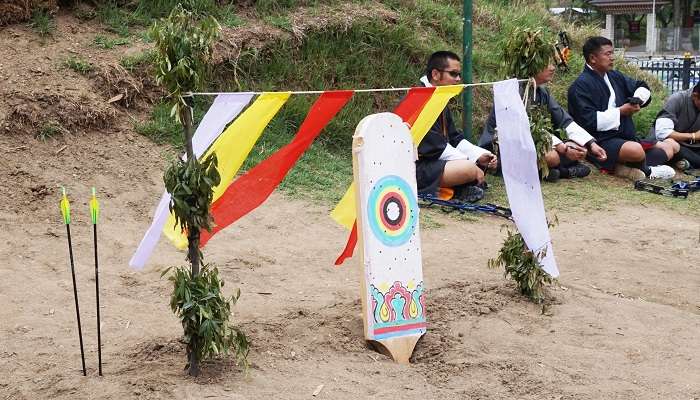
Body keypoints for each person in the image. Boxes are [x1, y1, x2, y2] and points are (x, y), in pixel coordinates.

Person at [567, 36, 678, 180]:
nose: (612, 58)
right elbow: (588, 121)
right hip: (599, 141)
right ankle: (646, 170)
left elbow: (641, 86)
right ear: (593, 58)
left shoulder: (615, 76)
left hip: (625, 137)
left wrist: (637, 99)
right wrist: (621, 112)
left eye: (612, 53)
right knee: (636, 150)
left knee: (671, 147)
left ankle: (623, 166)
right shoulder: (579, 86)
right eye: (608, 54)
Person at [479, 63, 609, 182]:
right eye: (547, 64)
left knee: (579, 146)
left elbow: (564, 120)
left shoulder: (542, 91)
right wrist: (561, 147)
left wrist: (591, 144)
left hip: (536, 140)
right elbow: (523, 126)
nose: (553, 68)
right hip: (505, 143)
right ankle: (563, 171)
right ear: (531, 65)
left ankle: (553, 170)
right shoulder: (512, 91)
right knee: (551, 157)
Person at [416, 51, 497, 202]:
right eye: (453, 74)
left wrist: (479, 155)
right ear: (435, 74)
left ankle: (459, 188)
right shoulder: (421, 99)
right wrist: (471, 165)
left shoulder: (439, 97)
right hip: (415, 168)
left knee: (474, 165)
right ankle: (457, 189)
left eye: (459, 74)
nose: (458, 79)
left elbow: (454, 138)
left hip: (434, 163)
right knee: (467, 169)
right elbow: (436, 148)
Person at [651, 83, 700, 169]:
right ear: (695, 96)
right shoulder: (677, 99)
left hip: (695, 149)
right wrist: (693, 136)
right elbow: (662, 133)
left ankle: (687, 162)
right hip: (675, 145)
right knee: (671, 144)